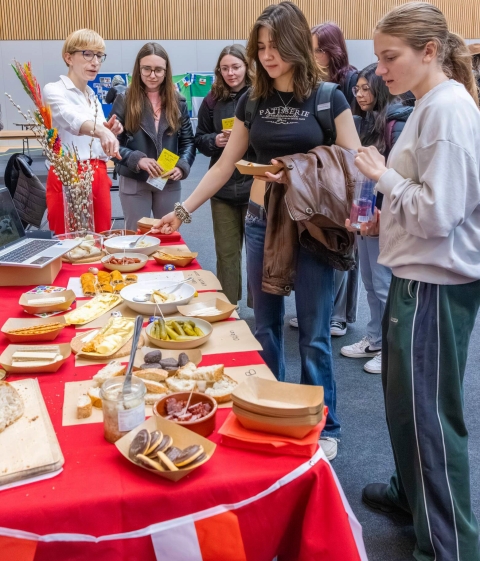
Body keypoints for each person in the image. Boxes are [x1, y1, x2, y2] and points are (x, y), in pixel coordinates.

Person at [153, 2, 361, 461]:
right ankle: (267, 409)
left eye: (276, 46)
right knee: (264, 327)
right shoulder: (252, 100)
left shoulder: (328, 97)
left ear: (296, 45)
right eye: (260, 47)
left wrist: (300, 171)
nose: (267, 56)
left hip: (309, 227)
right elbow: (225, 165)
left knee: (313, 333)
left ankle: (324, 421)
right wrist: (182, 212)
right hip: (259, 222)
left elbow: (354, 164)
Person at [354, 4, 480, 560]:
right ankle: (413, 497)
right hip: (416, 276)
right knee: (406, 405)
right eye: (379, 57)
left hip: (434, 284)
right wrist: (391, 209)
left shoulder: (448, 111)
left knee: (428, 415)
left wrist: (383, 178)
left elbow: (439, 213)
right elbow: (427, 199)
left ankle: (450, 545)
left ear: (429, 52)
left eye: (390, 57)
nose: (380, 69)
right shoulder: (429, 105)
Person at [341, 63, 413, 374]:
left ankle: (392, 347)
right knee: (370, 282)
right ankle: (375, 337)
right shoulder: (364, 121)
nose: (359, 94)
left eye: (366, 88)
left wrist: (379, 214)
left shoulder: (396, 123)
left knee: (384, 284)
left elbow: (396, 175)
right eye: (357, 89)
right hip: (365, 211)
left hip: (385, 216)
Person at [301, 21, 359, 337]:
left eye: (319, 50)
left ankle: (337, 315)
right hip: (315, 177)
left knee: (342, 245)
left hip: (344, 176)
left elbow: (354, 135)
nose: (314, 56)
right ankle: (318, 308)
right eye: (311, 50)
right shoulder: (310, 81)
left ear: (332, 51)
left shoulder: (349, 81)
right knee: (317, 242)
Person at [43, 28, 122, 234]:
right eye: (87, 54)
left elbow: (101, 134)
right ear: (68, 57)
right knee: (68, 241)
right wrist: (102, 132)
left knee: (101, 237)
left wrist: (111, 130)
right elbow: (70, 119)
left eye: (99, 55)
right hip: (68, 172)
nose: (95, 61)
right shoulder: (54, 90)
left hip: (98, 171)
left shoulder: (91, 95)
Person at [111, 42, 195, 232]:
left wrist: (182, 166)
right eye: (146, 69)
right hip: (134, 180)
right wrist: (137, 159)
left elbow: (188, 142)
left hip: (168, 181)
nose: (152, 75)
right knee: (136, 237)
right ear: (138, 70)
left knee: (167, 235)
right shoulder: (124, 100)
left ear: (166, 71)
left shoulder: (178, 101)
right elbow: (111, 143)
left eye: (158, 70)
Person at [194, 45, 252, 304]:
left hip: (255, 186)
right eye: (225, 68)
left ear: (246, 67)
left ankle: (260, 305)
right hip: (222, 187)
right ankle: (230, 305)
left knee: (257, 252)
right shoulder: (211, 100)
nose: (231, 73)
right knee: (227, 252)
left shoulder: (259, 96)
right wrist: (214, 140)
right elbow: (199, 139)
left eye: (236, 67)